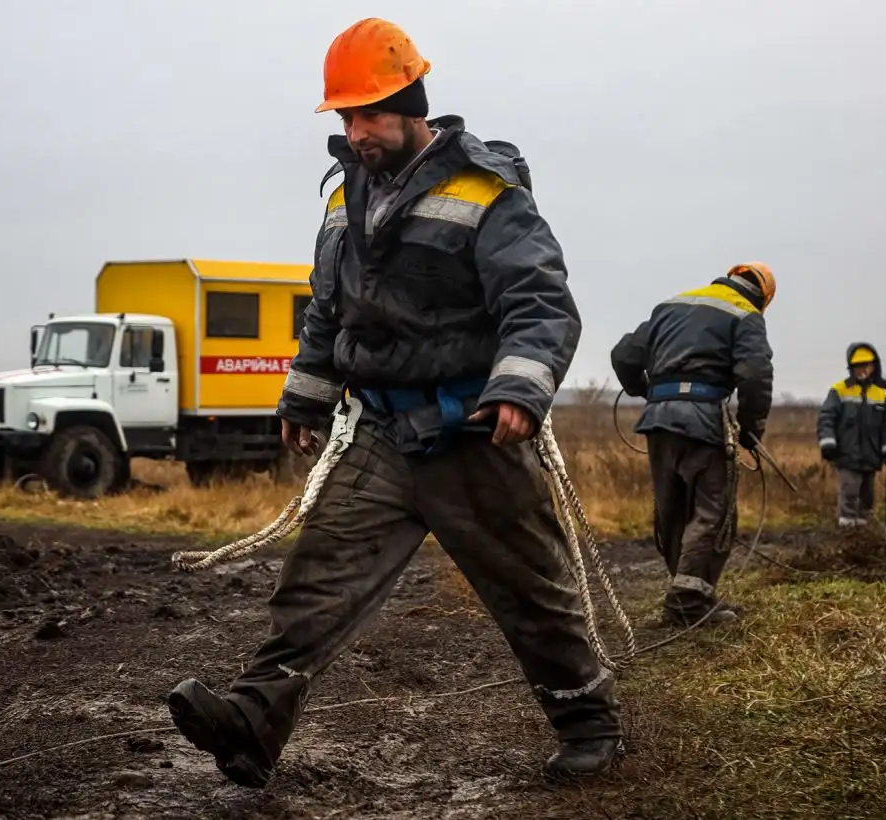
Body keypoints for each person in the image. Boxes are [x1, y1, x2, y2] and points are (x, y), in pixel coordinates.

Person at [166, 17, 623, 787]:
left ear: (414, 106)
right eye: (345, 116)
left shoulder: (487, 191)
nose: (357, 130)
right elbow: (326, 311)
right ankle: (252, 723)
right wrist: (306, 395)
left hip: (472, 433)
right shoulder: (345, 198)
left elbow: (541, 303)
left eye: (369, 113)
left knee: (531, 591)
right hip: (377, 431)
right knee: (316, 579)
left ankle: (589, 724)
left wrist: (519, 388)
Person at [609, 264, 776, 627]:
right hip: (704, 422)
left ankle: (689, 594)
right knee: (713, 512)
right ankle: (688, 602)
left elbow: (623, 354)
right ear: (763, 297)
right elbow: (755, 376)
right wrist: (750, 431)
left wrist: (645, 390)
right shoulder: (747, 315)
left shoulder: (672, 305)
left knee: (672, 510)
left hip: (658, 421)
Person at [816, 343, 886, 526]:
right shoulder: (839, 391)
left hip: (871, 456)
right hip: (847, 455)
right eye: (858, 366)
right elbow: (826, 418)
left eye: (866, 365)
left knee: (867, 498)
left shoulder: (880, 395)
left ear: (873, 367)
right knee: (850, 493)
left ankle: (863, 533)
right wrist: (828, 443)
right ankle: (846, 532)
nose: (862, 369)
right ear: (851, 368)